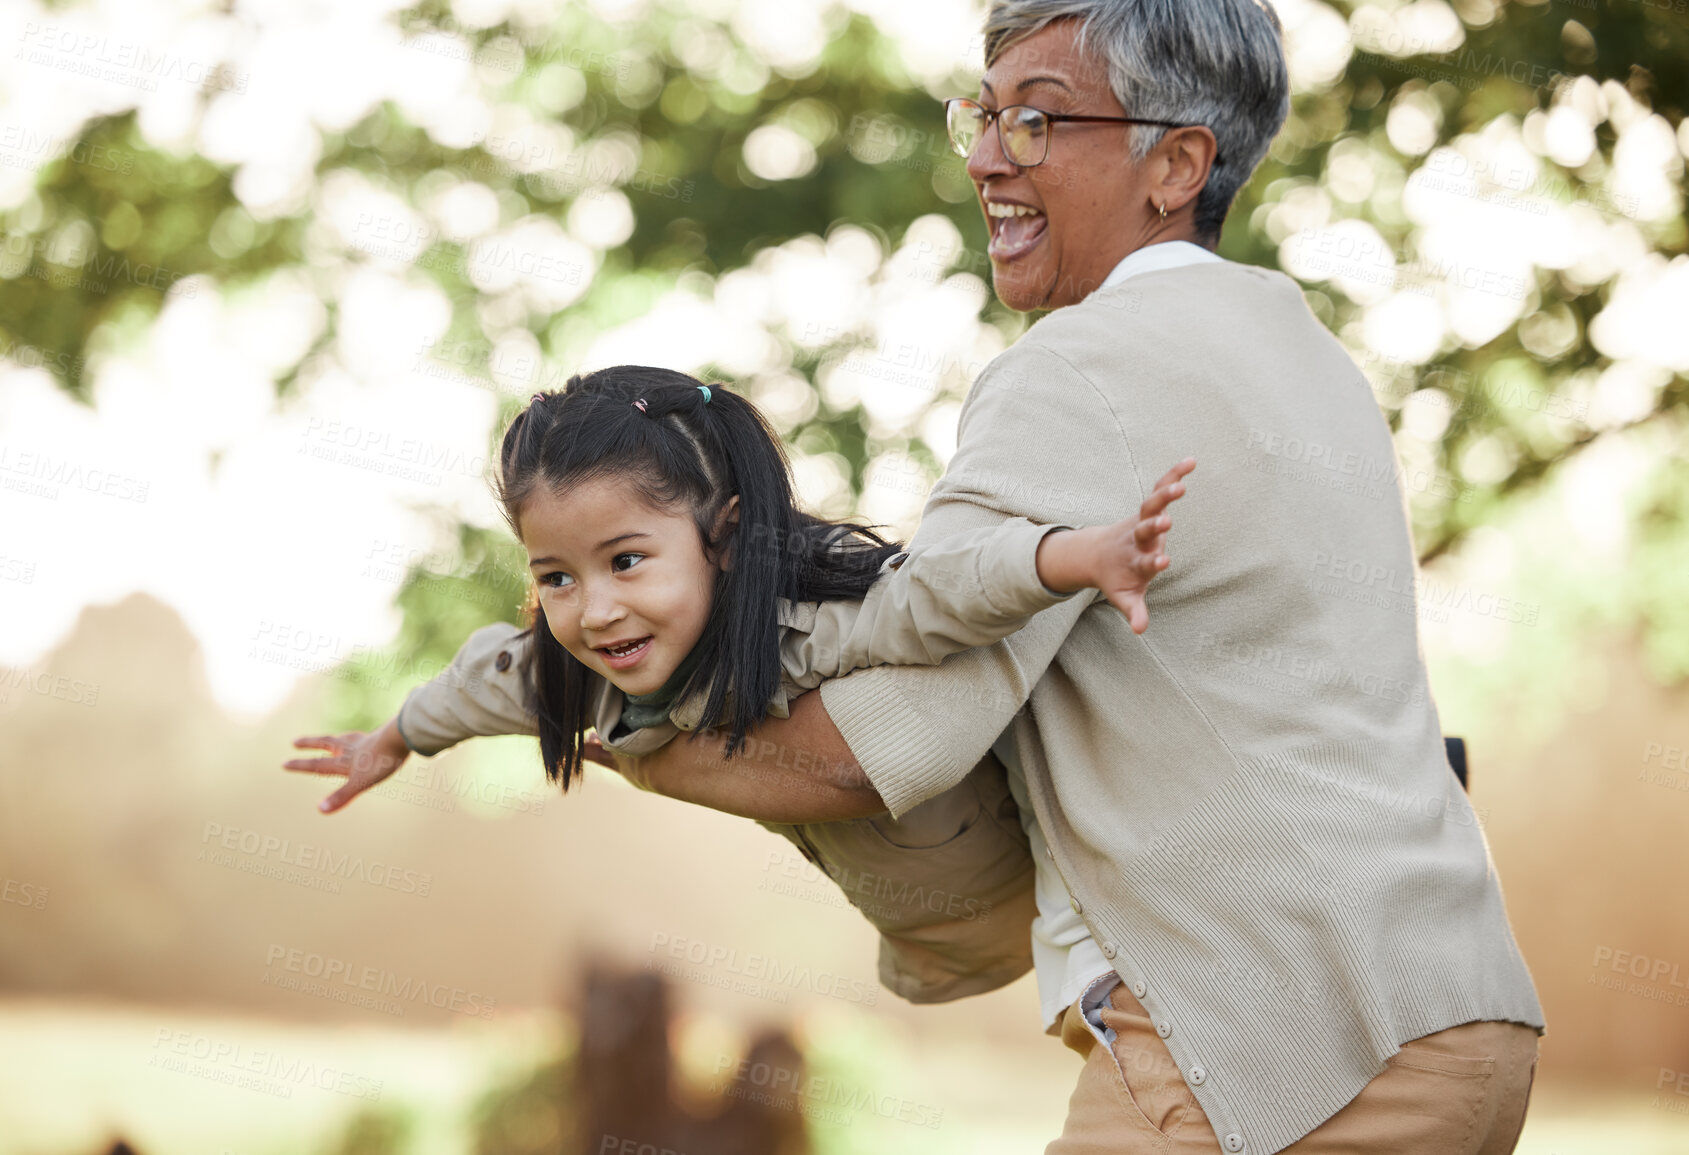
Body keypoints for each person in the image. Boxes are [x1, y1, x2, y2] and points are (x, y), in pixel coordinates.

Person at [583, 5, 1547, 1155]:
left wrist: (622, 720)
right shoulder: (1310, 356)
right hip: (1463, 1018)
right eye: (984, 116)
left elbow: (887, 743)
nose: (990, 156)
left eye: (1037, 120)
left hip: (1271, 1047)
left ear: (1178, 164)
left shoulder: (1075, 372)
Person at [286, 364, 1196, 1002]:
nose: (594, 609)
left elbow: (933, 592)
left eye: (627, 560)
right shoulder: (575, 673)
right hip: (938, 926)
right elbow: (477, 681)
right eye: (557, 575)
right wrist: (393, 739)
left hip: (1046, 869)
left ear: (721, 537)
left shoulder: (812, 616)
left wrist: (1075, 556)